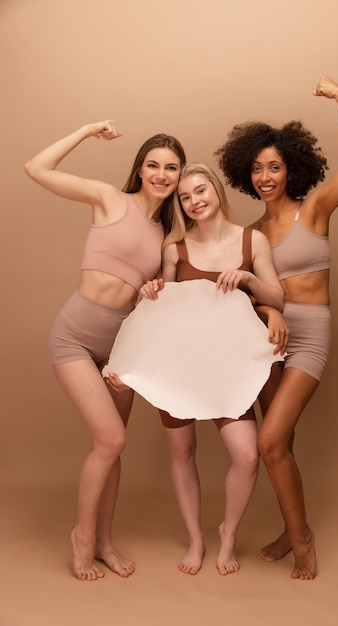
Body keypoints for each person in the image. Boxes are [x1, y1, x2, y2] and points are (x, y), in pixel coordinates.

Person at [215, 76, 338, 580]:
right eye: (257, 169)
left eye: (274, 167)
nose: (265, 176)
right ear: (247, 174)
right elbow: (248, 292)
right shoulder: (252, 234)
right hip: (269, 338)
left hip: (311, 335)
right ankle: (289, 527)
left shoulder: (316, 209)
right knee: (285, 441)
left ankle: (302, 539)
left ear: (291, 169)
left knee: (269, 441)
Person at [24, 121, 186, 581]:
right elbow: (35, 167)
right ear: (139, 169)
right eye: (153, 164)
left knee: (110, 447)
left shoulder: (168, 233)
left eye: (170, 168)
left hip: (122, 350)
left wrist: (153, 288)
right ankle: (81, 535)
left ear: (178, 176)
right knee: (112, 439)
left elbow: (161, 301)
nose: (161, 173)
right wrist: (86, 131)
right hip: (75, 338)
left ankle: (103, 542)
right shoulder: (109, 199)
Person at [139, 162, 287, 576]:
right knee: (182, 452)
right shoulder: (175, 249)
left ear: (217, 191)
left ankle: (228, 533)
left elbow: (277, 297)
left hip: (230, 369)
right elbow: (158, 309)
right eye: (185, 197)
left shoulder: (252, 241)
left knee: (247, 456)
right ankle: (196, 540)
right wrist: (151, 290)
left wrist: (247, 279)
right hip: (179, 365)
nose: (193, 201)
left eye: (200, 191)